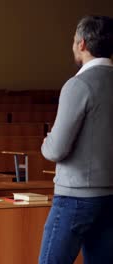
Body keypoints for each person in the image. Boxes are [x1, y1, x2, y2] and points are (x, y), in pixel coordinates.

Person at [39, 15, 113, 264]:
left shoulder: (78, 85)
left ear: (82, 44)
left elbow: (55, 149)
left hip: (76, 196)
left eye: (73, 41)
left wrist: (47, 139)